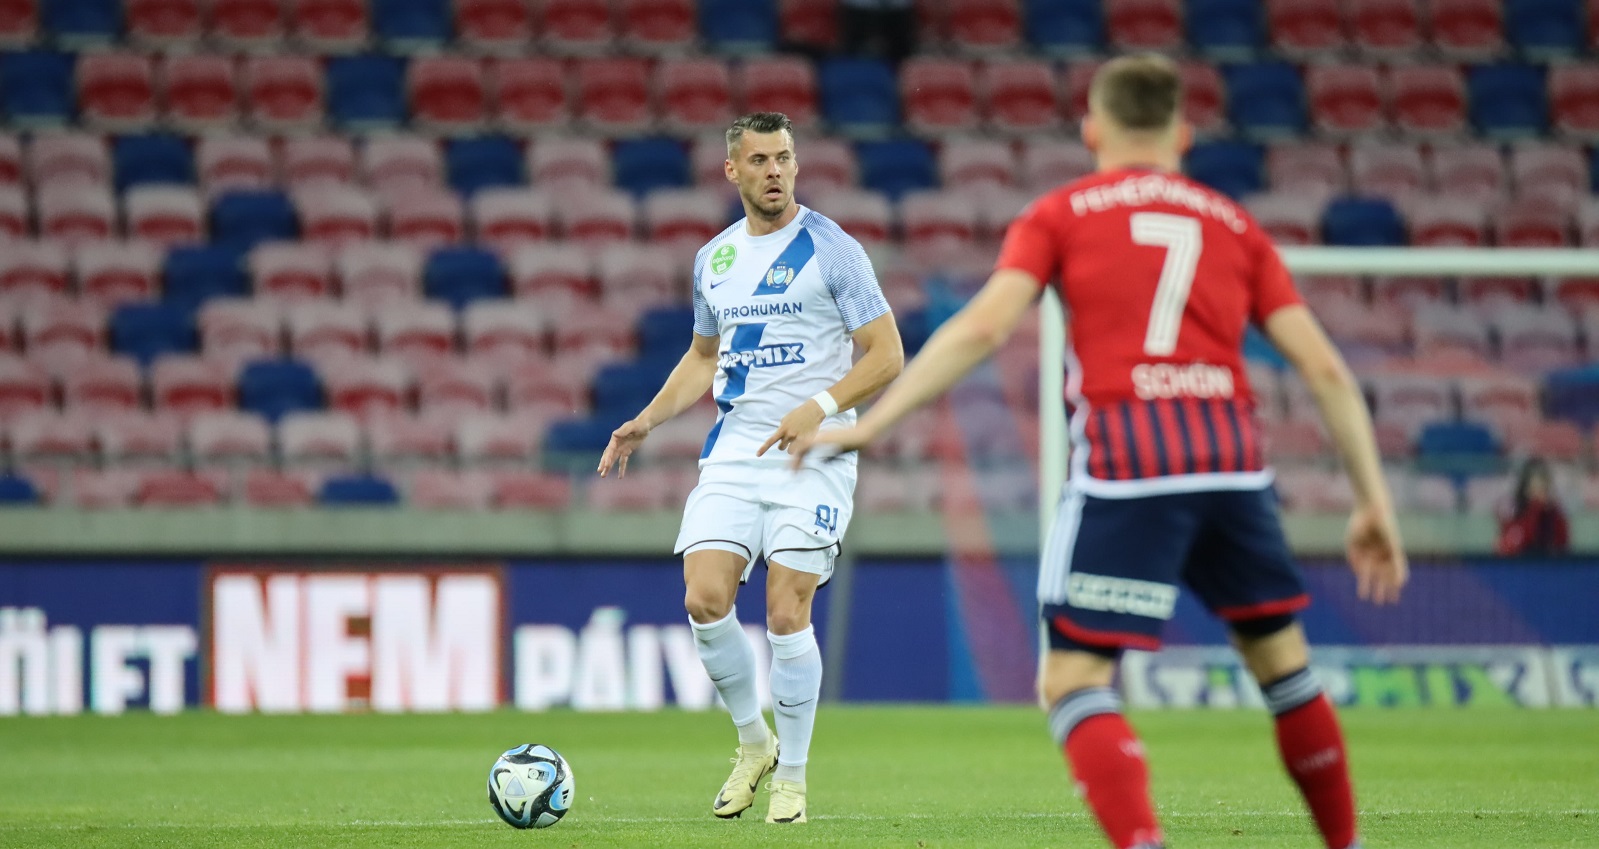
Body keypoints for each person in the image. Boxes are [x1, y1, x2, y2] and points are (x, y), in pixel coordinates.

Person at [792, 56, 1408, 849]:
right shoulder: (1231, 224)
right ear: (1182, 135)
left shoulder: (1061, 213)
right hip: (1231, 467)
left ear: (1092, 128)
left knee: (1073, 679)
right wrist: (1371, 499)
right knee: (1284, 669)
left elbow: (983, 326)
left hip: (1129, 465)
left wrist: (870, 422)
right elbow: (1323, 367)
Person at [597, 112, 903, 825]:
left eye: (785, 157)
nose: (775, 170)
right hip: (734, 451)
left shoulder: (833, 250)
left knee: (785, 608)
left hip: (813, 451)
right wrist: (648, 417)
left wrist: (820, 406)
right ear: (731, 170)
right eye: (760, 159)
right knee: (704, 599)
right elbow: (704, 357)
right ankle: (753, 743)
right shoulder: (715, 259)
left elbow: (886, 354)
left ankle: (792, 779)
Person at [1496, 457, 1570, 556]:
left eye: (1545, 488)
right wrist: (1536, 509)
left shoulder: (1555, 516)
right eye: (1537, 488)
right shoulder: (1515, 515)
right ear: (1526, 490)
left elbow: (1562, 545)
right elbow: (1510, 546)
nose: (1542, 493)